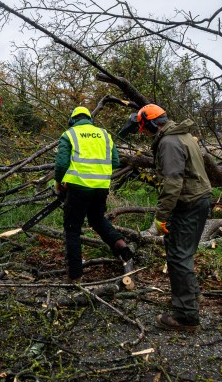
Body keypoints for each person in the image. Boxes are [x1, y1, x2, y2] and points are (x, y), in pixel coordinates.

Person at [119, 104, 212, 331]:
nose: (144, 133)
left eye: (144, 128)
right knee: (179, 250)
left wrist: (161, 216)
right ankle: (190, 297)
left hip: (188, 202)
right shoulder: (181, 135)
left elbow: (173, 183)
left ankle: (187, 317)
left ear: (152, 123)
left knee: (179, 256)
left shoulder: (169, 142)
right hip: (195, 199)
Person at [54, 106, 133, 282]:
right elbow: (115, 161)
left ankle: (75, 276)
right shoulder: (104, 135)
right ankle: (119, 244)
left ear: (72, 120)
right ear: (90, 119)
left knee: (73, 228)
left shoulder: (70, 134)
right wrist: (98, 173)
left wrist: (60, 184)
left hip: (78, 188)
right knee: (97, 219)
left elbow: (60, 166)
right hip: (101, 188)